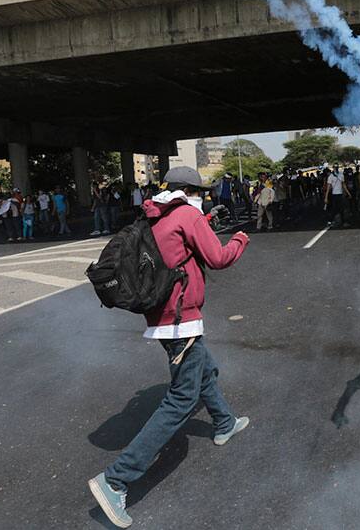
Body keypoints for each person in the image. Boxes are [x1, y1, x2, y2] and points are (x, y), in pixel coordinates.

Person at [89, 166, 250, 529]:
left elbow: (174, 243)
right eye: (202, 193)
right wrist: (239, 238)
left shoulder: (156, 213)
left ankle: (224, 422)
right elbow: (218, 258)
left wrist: (204, 220)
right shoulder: (188, 214)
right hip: (181, 319)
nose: (204, 198)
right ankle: (115, 479)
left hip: (162, 316)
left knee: (204, 370)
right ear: (191, 191)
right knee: (181, 399)